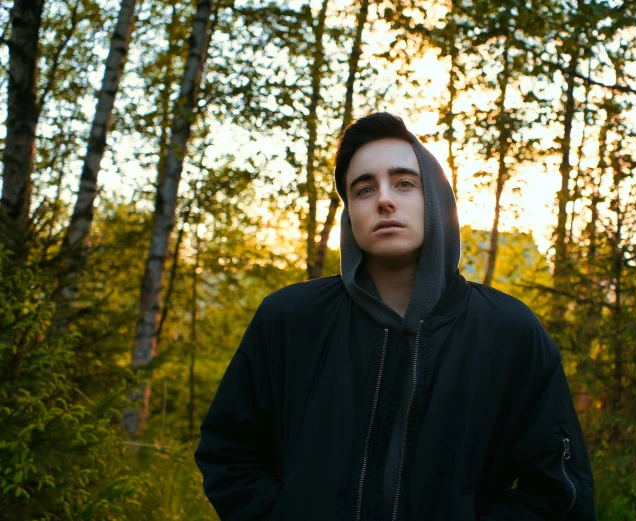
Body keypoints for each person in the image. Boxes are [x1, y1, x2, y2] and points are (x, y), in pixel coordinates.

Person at [194, 112, 596, 521]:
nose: (384, 199)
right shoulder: (289, 319)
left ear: (436, 199)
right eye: (364, 189)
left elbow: (558, 490)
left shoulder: (507, 332)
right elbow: (230, 454)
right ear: (350, 212)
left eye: (404, 183)